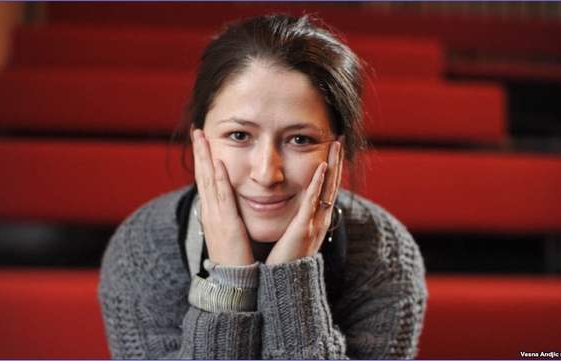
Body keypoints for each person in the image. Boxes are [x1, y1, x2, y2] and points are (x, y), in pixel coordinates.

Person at [99, 13, 427, 359]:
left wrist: (292, 281)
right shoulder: (143, 249)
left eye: (300, 139)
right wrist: (229, 284)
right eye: (239, 135)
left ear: (339, 151)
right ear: (201, 143)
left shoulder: (384, 253)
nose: (267, 173)